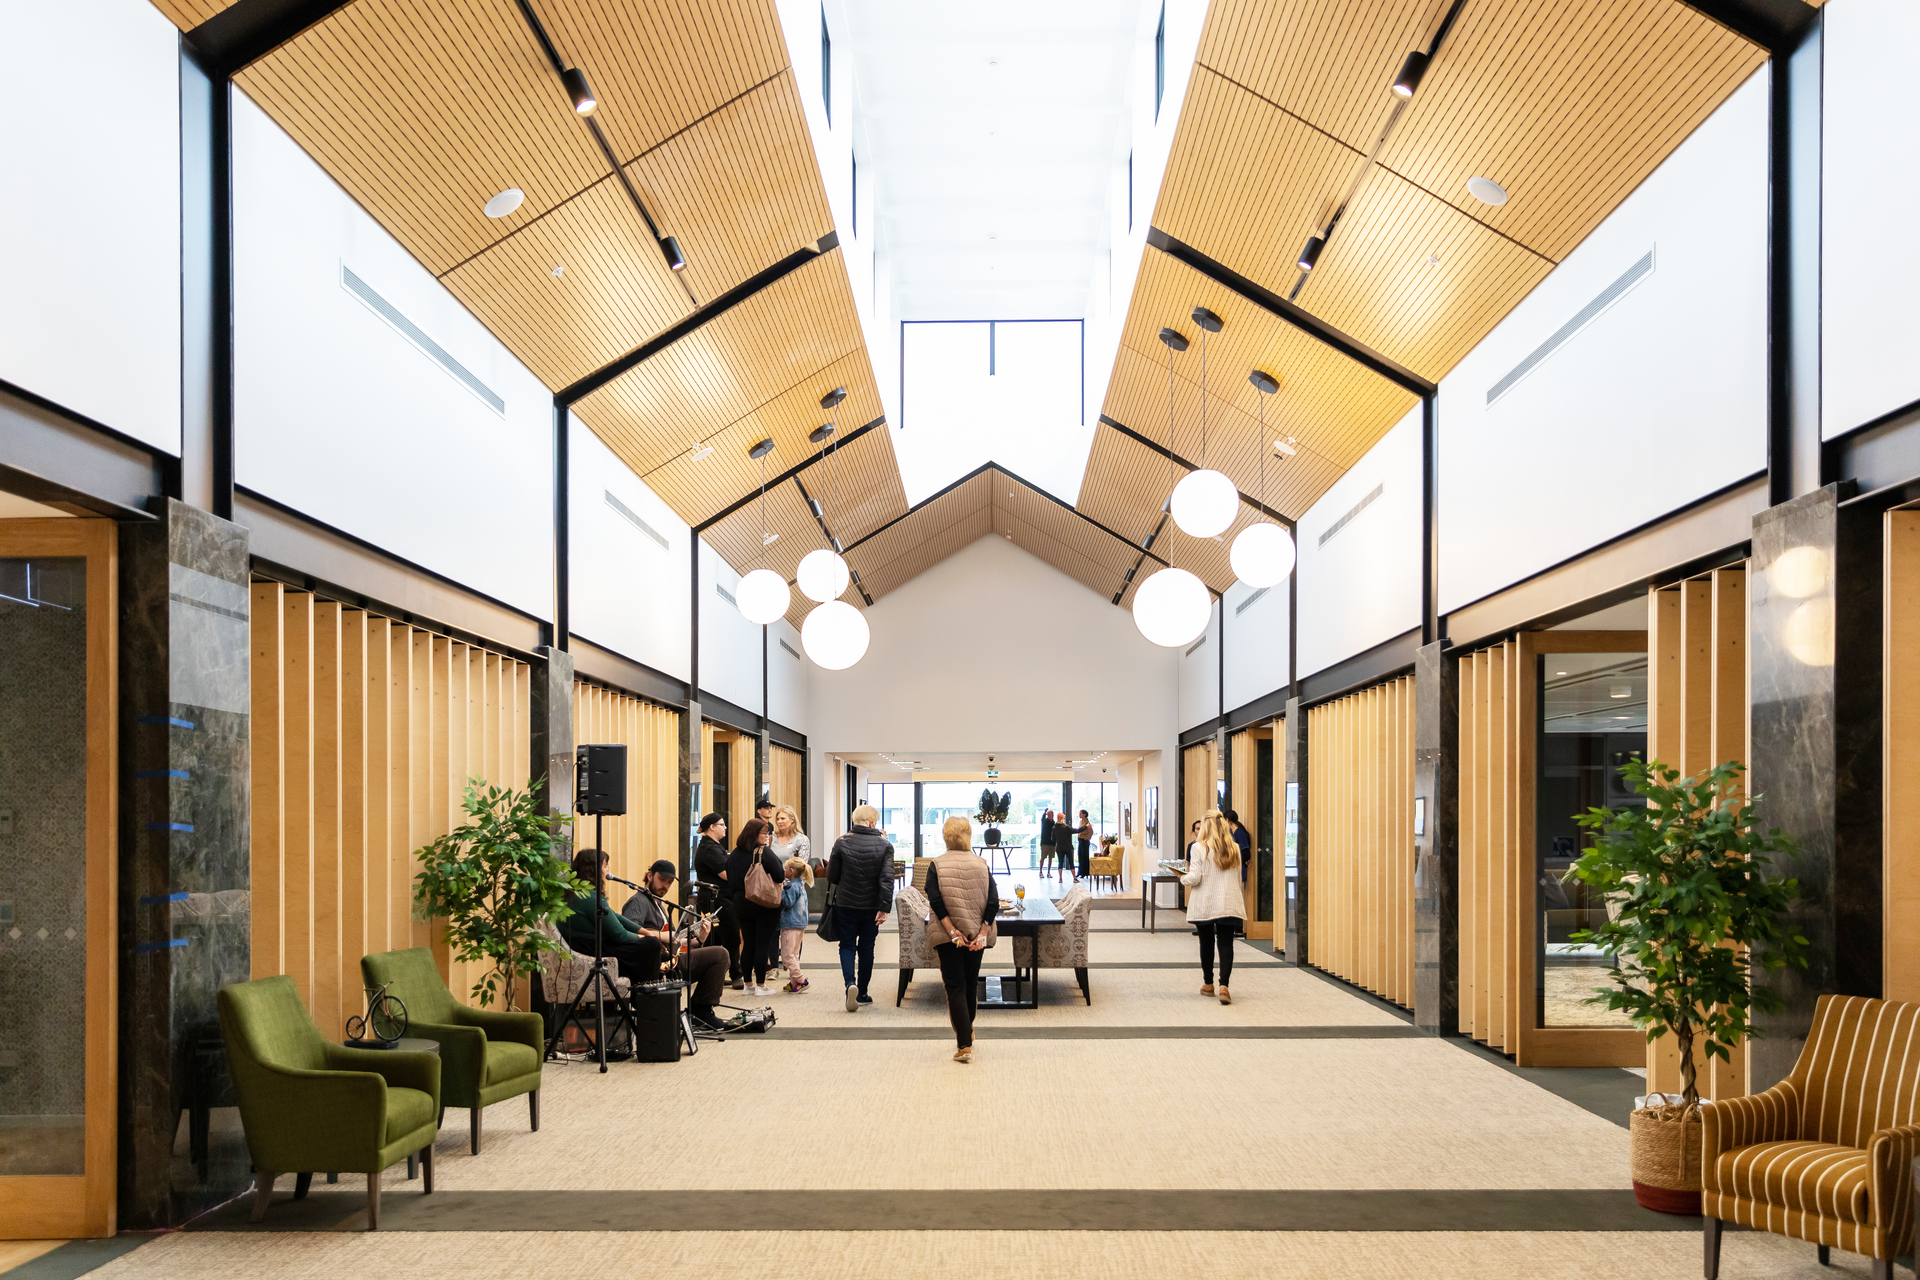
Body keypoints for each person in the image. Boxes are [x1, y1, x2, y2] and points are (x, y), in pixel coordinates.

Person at [560, 849, 724, 1031]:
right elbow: (619, 934)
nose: (607, 871)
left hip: (651, 954)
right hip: (595, 953)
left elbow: (617, 918)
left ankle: (698, 1011)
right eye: (605, 866)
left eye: (670, 883)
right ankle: (648, 1005)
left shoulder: (584, 895)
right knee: (651, 946)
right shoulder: (604, 899)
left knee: (716, 954)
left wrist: (697, 940)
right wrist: (650, 936)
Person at [616, 858, 729, 1029]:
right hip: (655, 966)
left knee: (720, 954)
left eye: (669, 883)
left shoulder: (660, 904)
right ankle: (701, 1012)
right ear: (649, 875)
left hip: (671, 960)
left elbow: (675, 942)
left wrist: (698, 940)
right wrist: (661, 936)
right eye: (662, 880)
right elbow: (631, 932)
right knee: (720, 955)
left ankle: (701, 1009)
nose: (666, 887)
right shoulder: (638, 901)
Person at [924, 815, 998, 1064]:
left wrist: (952, 931)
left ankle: (964, 1042)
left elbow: (935, 901)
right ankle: (968, 1031)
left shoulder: (936, 865)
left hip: (949, 937)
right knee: (970, 982)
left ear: (946, 836)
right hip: (976, 935)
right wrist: (983, 933)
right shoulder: (982, 864)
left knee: (955, 985)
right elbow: (993, 902)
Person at [827, 803, 895, 1011]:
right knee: (867, 947)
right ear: (873, 823)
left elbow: (832, 876)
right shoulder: (885, 846)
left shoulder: (841, 843)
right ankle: (863, 992)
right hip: (872, 907)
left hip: (845, 903)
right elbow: (887, 879)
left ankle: (850, 984)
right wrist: (884, 908)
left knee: (846, 945)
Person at [1181, 810, 1246, 1005]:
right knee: (1226, 943)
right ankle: (1224, 986)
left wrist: (1181, 877)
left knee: (1206, 942)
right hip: (1228, 901)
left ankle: (1208, 984)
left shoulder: (1198, 847)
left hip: (1206, 902)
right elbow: (1236, 877)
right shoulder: (1234, 847)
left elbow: (1195, 877)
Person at [728, 818, 785, 996]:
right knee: (762, 944)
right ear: (755, 834)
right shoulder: (763, 853)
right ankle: (761, 985)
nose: (767, 836)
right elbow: (779, 875)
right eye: (764, 833)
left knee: (748, 942)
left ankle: (748, 985)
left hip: (740, 903)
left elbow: (730, 878)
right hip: (763, 904)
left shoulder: (734, 854)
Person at [692, 812, 741, 988]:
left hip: (721, 898)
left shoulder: (714, 846)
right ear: (712, 827)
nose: (725, 827)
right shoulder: (709, 848)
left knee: (718, 938)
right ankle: (736, 975)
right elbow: (726, 874)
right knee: (731, 934)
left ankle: (716, 974)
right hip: (717, 900)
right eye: (722, 824)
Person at [778, 857, 812, 992]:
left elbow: (787, 902)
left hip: (790, 923)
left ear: (791, 871)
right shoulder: (801, 885)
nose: (784, 871)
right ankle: (794, 984)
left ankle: (801, 979)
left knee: (787, 956)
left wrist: (780, 889)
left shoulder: (792, 886)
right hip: (800, 923)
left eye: (786, 869)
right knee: (794, 954)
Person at [772, 804, 812, 870]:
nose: (779, 821)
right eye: (777, 819)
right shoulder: (770, 838)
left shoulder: (801, 839)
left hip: (793, 879)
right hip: (772, 879)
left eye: (783, 818)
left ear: (792, 819)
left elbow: (802, 866)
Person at [1052, 809, 1075, 882]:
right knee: (1071, 862)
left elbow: (1053, 839)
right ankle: (1074, 878)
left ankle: (1060, 878)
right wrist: (1085, 827)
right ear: (1063, 819)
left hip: (1059, 847)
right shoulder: (1067, 828)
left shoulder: (1054, 828)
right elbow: (1076, 831)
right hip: (1068, 847)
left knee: (1060, 862)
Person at [1075, 809, 1094, 880]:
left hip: (1084, 840)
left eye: (1080, 814)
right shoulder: (1081, 821)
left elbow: (1090, 832)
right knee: (1080, 855)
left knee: (1084, 856)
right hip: (1080, 840)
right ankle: (1080, 871)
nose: (1079, 815)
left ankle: (1085, 872)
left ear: (1084, 814)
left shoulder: (1087, 822)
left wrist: (1087, 838)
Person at [1038, 808, 1056, 874]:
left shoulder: (1054, 823)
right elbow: (1042, 819)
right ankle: (1040, 871)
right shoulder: (1045, 822)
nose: (1052, 815)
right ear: (1048, 815)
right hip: (1045, 842)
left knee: (1050, 858)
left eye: (1052, 814)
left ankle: (1048, 872)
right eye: (1050, 814)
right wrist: (1044, 813)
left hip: (1052, 843)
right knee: (1043, 857)